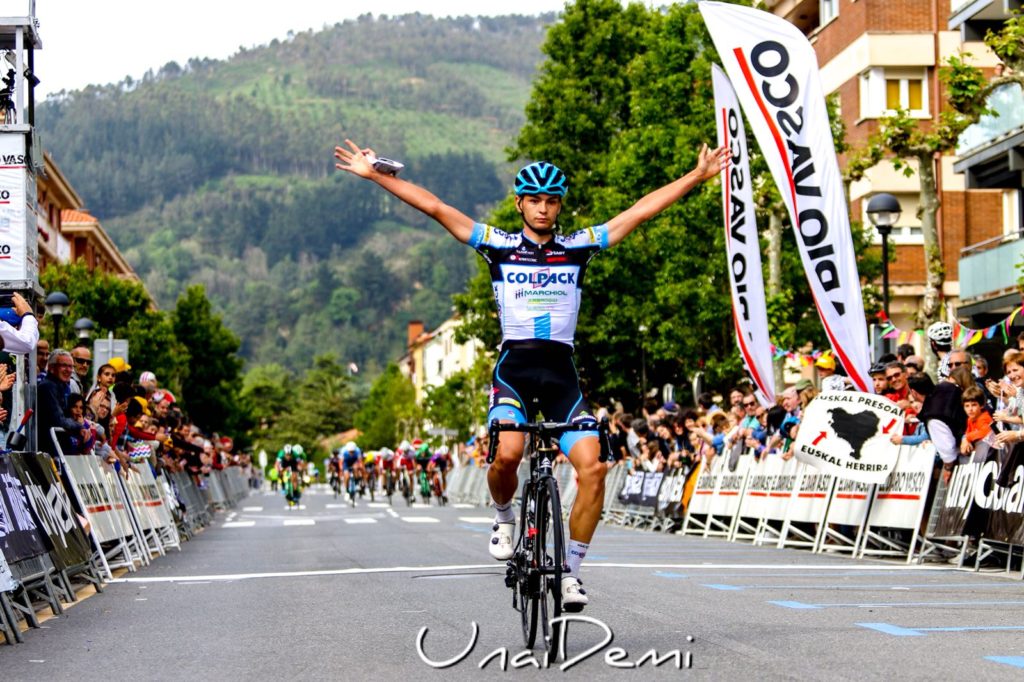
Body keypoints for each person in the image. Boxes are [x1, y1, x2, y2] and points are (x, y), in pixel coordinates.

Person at [336, 136, 728, 610]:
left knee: (594, 467)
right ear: (520, 204)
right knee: (508, 454)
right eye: (535, 200)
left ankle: (570, 573)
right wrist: (376, 175)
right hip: (515, 372)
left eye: (551, 201)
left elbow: (637, 214)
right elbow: (437, 208)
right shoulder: (498, 246)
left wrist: (697, 175)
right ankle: (504, 516)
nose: (543, 209)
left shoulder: (578, 246)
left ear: (559, 206)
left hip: (562, 376)